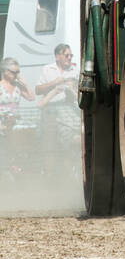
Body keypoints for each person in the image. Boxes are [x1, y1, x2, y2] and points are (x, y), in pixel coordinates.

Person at [35, 43, 79, 177]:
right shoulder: (48, 69)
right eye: (67, 55)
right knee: (50, 147)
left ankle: (69, 172)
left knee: (71, 142)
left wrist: (71, 90)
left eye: (71, 56)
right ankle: (51, 175)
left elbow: (78, 94)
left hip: (69, 112)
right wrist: (55, 83)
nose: (69, 58)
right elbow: (37, 90)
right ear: (57, 56)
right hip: (50, 112)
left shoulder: (74, 71)